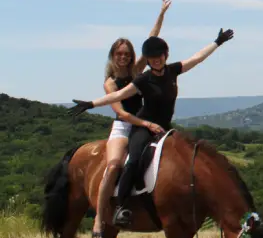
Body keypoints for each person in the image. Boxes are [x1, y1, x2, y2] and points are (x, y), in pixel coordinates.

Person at [69, 28, 236, 226]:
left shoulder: (173, 70)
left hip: (165, 128)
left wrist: (217, 42)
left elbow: (197, 58)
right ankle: (122, 206)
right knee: (133, 160)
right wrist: (91, 104)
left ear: (165, 55)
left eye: (159, 56)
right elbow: (117, 96)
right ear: (147, 59)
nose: (156, 60)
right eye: (152, 57)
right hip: (144, 127)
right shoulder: (142, 79)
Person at [92, 0, 172, 238]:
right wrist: (145, 123)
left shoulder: (138, 71)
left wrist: (161, 14)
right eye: (120, 53)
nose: (124, 57)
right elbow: (122, 113)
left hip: (144, 124)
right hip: (124, 127)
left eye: (127, 53)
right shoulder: (110, 82)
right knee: (114, 165)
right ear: (113, 55)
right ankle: (98, 218)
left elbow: (151, 40)